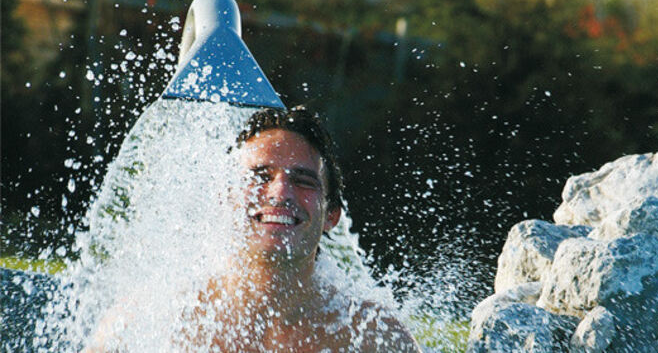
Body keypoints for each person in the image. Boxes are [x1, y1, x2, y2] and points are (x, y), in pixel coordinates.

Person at [84, 106, 422, 352]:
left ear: (331, 215)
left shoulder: (373, 337)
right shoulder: (151, 321)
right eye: (260, 177)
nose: (280, 193)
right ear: (225, 200)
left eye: (303, 181)